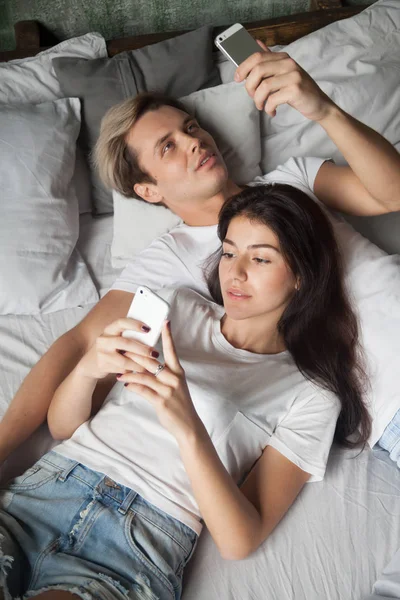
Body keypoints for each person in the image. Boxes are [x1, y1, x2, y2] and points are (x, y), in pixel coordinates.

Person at [1, 43, 400, 468]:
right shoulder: (170, 258)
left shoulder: (293, 177)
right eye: (168, 146)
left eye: (190, 127)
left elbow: (392, 192)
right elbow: (80, 342)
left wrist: (323, 110)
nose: (192, 142)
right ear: (149, 191)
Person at [0, 184, 371, 599]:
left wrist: (188, 426)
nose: (236, 271)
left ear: (302, 275)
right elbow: (64, 427)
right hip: (47, 492)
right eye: (229, 252)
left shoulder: (312, 394)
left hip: (139, 539)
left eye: (261, 258)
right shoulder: (176, 306)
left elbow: (239, 540)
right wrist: (88, 369)